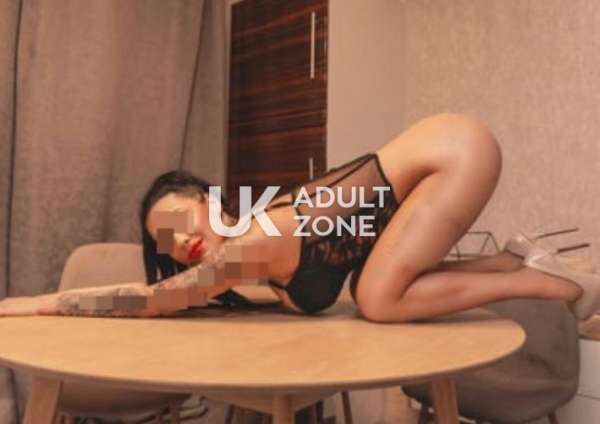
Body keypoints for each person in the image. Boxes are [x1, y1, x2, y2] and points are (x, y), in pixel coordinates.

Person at [0, 113, 597, 321]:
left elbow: (146, 300)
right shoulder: (248, 253)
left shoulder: (249, 245)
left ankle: (560, 287)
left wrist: (32, 304)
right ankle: (513, 259)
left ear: (214, 205)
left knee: (378, 298)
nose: (184, 243)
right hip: (440, 155)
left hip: (454, 151)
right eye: (169, 242)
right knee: (380, 283)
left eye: (185, 222)